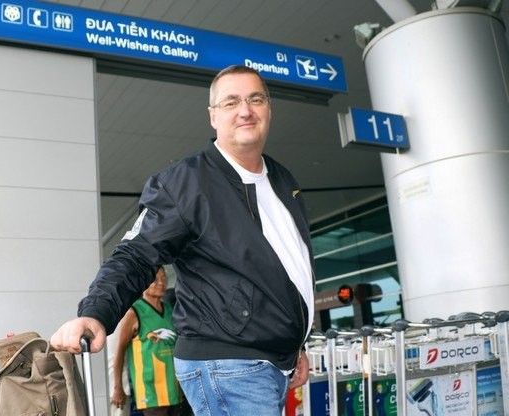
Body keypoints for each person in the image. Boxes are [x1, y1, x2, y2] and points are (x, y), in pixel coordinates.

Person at [50, 65, 315, 415]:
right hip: (228, 363)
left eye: (256, 99)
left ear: (269, 108)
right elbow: (136, 253)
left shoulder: (282, 179)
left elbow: (283, 271)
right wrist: (96, 312)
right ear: (212, 116)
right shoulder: (186, 183)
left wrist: (294, 345)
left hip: (269, 362)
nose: (245, 110)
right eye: (231, 101)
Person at [111, 266, 181, 416]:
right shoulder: (134, 313)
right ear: (143, 283)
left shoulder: (169, 309)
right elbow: (119, 352)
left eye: (164, 278)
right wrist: (117, 387)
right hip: (150, 391)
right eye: (155, 280)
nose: (161, 282)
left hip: (173, 389)